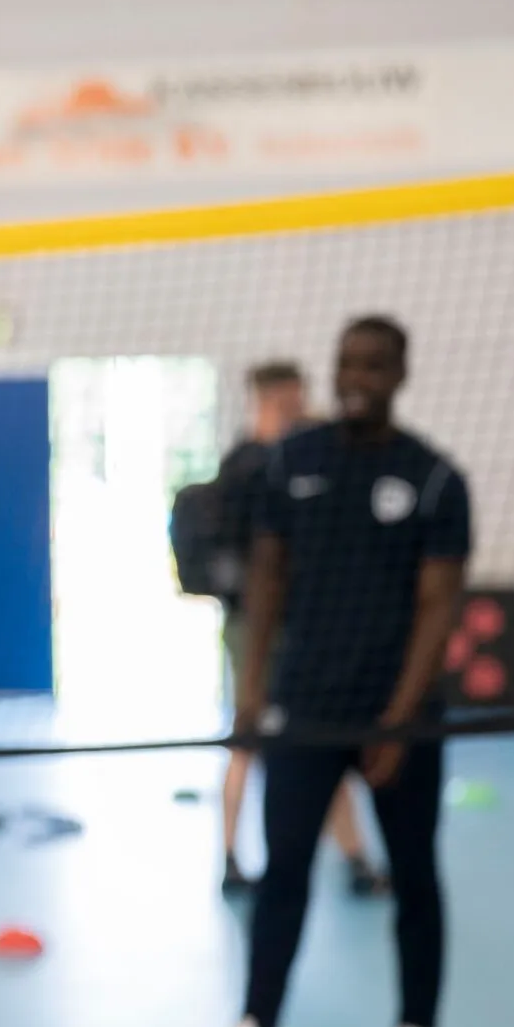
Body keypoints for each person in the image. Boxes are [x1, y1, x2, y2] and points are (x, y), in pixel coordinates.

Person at [181, 315, 468, 1027]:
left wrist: (398, 720)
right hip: (307, 705)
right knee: (284, 872)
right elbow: (268, 575)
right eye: (348, 362)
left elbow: (438, 605)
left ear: (400, 373)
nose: (357, 377)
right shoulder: (293, 463)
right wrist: (252, 689)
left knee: (415, 876)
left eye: (374, 364)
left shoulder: (434, 478)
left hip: (401, 716)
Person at [211, 362, 384, 898]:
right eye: (290, 401)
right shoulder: (249, 468)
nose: (299, 408)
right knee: (247, 742)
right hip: (255, 630)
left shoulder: (302, 462)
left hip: (304, 628)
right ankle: (230, 856)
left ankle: (355, 857)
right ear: (268, 400)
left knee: (322, 739)